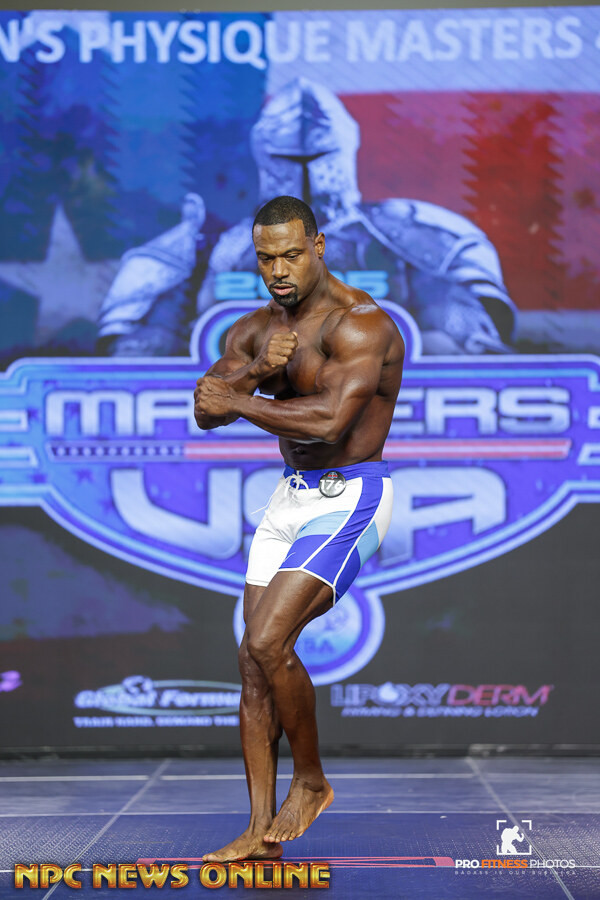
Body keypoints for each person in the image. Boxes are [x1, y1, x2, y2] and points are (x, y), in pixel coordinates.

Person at [193, 195, 404, 863]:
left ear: (318, 245)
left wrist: (241, 396)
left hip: (351, 497)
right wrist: (256, 372)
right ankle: (258, 831)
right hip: (288, 499)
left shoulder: (362, 324)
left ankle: (310, 781)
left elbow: (329, 422)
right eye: (265, 259)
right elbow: (205, 410)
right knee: (253, 663)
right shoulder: (255, 329)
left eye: (290, 254)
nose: (278, 271)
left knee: (267, 638)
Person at [100, 78, 514, 358]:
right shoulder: (210, 247)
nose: (305, 170)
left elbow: (467, 349)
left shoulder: (408, 236)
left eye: (319, 156)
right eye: (286, 158)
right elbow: (141, 355)